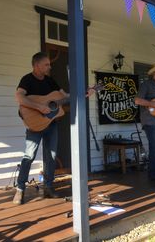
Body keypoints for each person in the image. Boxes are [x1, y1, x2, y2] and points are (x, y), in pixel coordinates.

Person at [13, 52, 94, 205]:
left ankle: (49, 187)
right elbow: (19, 97)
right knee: (29, 156)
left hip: (51, 124)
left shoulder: (50, 81)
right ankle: (20, 188)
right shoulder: (27, 80)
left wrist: (84, 92)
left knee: (51, 156)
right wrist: (39, 106)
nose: (50, 67)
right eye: (46, 64)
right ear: (37, 65)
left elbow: (65, 96)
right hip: (34, 124)